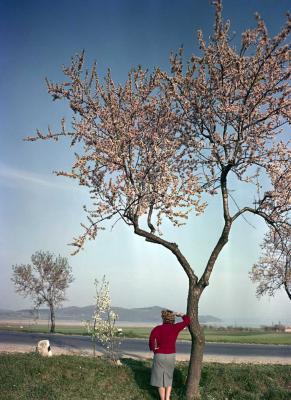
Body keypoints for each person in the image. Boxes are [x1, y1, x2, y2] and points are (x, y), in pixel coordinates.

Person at [149, 309, 191, 400]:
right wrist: (180, 314)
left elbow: (151, 341)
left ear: (163, 318)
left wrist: (154, 350)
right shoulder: (175, 327)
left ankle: (162, 398)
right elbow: (187, 321)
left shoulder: (157, 328)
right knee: (169, 377)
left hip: (159, 355)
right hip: (171, 355)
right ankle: (167, 398)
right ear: (173, 319)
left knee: (159, 379)